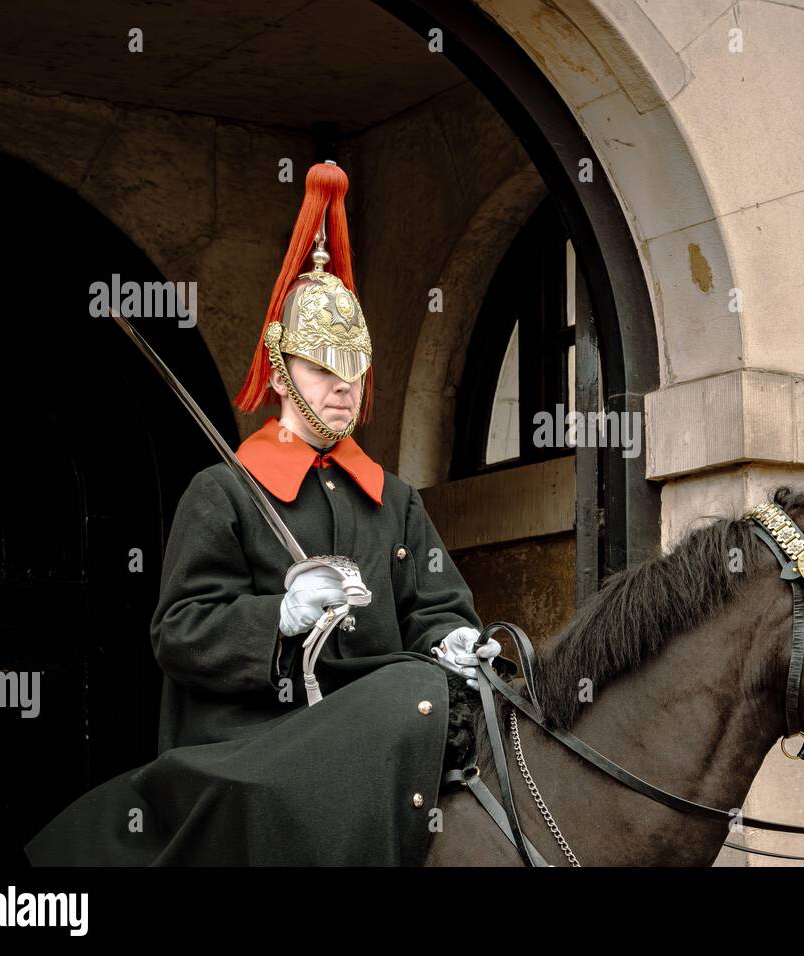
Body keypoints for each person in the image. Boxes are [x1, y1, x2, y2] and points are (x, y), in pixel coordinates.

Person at [25, 161, 499, 866]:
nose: (343, 389)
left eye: (354, 371)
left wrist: (454, 640)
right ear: (280, 374)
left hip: (379, 729)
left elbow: (434, 607)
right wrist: (279, 615)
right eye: (322, 369)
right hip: (260, 739)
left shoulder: (394, 499)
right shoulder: (222, 491)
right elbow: (179, 632)